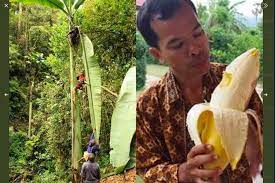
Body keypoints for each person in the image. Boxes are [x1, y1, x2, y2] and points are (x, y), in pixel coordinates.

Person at [136, 0, 263, 182]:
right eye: (178, 45)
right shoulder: (148, 106)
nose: (196, 49)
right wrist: (182, 172)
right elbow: (146, 168)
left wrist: (255, 137)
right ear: (158, 55)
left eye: (197, 33)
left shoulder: (235, 79)